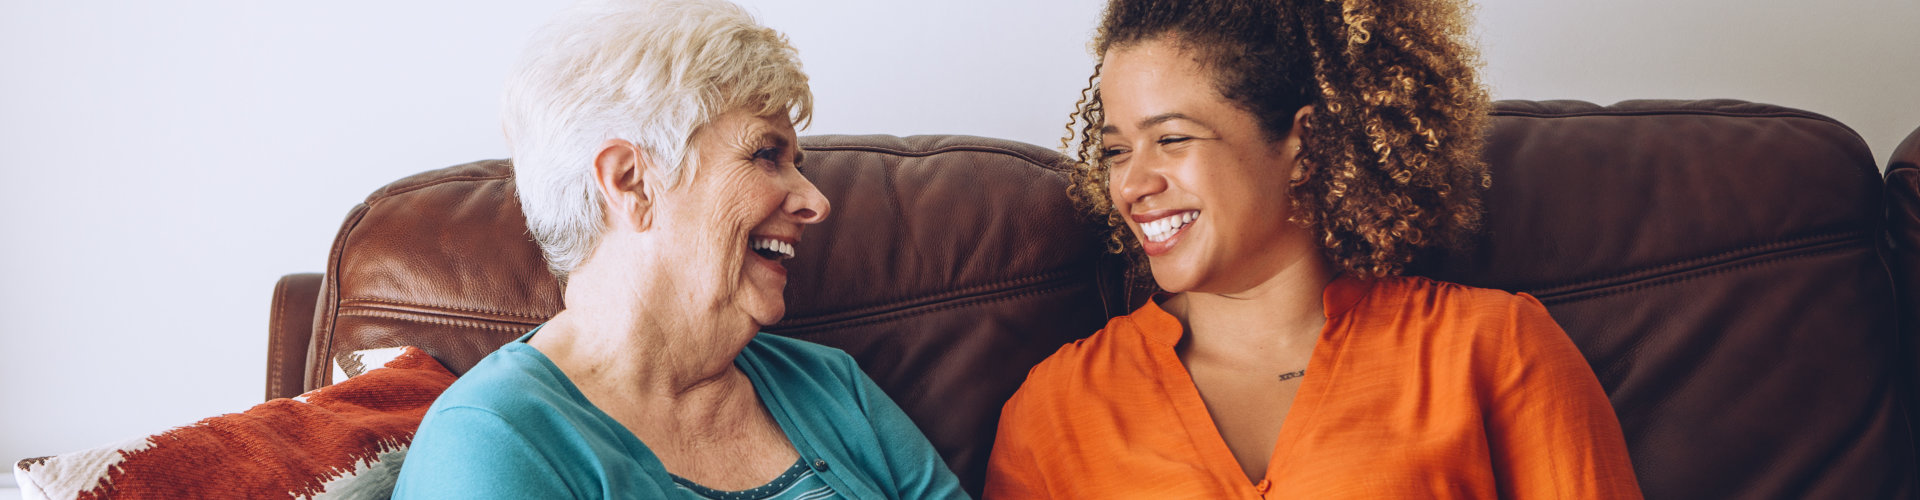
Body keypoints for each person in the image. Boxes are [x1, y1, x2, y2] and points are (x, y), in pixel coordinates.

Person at [986, 0, 1642, 498]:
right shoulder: (1055, 410)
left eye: (1174, 139)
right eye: (1115, 151)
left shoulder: (1494, 348)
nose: (1132, 183)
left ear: (1302, 145)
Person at [392, 1, 966, 498]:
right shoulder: (493, 439)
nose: (816, 202)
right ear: (631, 182)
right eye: (766, 155)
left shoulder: (830, 387)